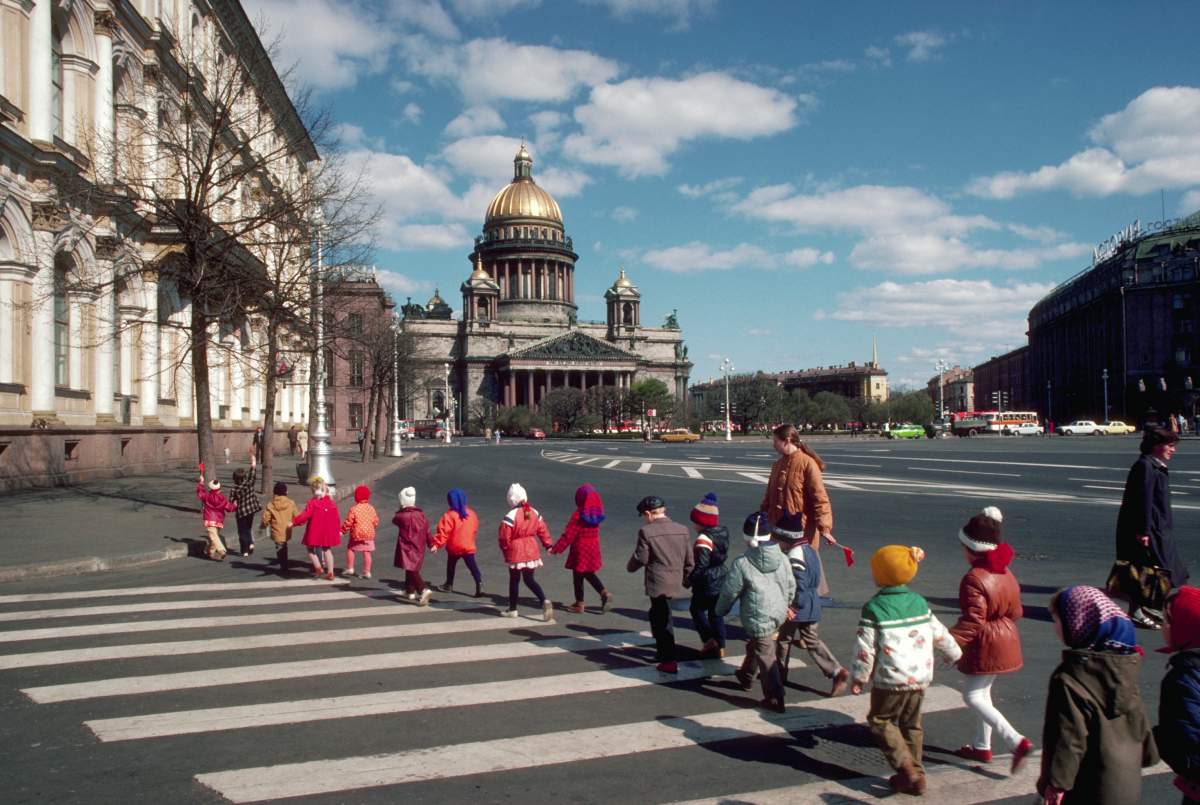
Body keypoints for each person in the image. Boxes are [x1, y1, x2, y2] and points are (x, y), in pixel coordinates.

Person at [850, 545, 962, 796]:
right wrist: (954, 653)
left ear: (881, 576)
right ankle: (918, 776)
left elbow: (865, 647)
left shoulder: (873, 607)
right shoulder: (919, 602)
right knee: (912, 725)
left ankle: (905, 768)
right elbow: (938, 631)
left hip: (890, 679)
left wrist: (859, 676)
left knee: (880, 721)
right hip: (920, 677)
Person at [1037, 586, 1158, 805]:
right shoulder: (1126, 664)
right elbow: (1138, 716)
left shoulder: (1071, 677)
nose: (1055, 628)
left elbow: (1069, 738)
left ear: (1079, 624)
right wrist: (1147, 752)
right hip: (1125, 785)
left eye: (1057, 621)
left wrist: (1056, 783)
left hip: (1087, 786)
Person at [948, 506, 1033, 768]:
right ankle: (982, 746)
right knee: (983, 694)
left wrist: (948, 643)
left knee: (972, 697)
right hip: (1006, 637)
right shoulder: (1005, 571)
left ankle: (1015, 740)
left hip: (985, 642)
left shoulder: (973, 578)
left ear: (970, 549)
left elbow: (973, 620)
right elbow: (1017, 610)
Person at [716, 512, 795, 713]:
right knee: (760, 644)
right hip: (778, 611)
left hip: (757, 614)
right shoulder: (783, 559)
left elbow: (729, 591)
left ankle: (776, 697)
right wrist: (785, 605)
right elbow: (791, 586)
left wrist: (720, 611)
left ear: (747, 538)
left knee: (766, 654)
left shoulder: (742, 563)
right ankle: (746, 675)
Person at [1116, 426, 1189, 628]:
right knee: (1146, 572)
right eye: (1170, 446)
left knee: (1160, 571)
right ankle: (1139, 611)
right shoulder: (1145, 466)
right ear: (1157, 446)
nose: (1173, 450)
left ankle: (1148, 608)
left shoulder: (1154, 465)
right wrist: (1143, 531)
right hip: (1149, 529)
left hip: (1158, 527)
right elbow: (1142, 501)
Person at [771, 511, 849, 697]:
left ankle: (779, 676)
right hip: (813, 603)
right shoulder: (809, 550)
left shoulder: (794, 556)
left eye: (778, 540)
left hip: (798, 606)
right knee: (812, 640)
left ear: (785, 539)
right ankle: (836, 671)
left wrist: (793, 607)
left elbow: (800, 585)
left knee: (784, 640)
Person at [761, 423, 837, 596]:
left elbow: (820, 498)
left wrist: (825, 528)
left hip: (801, 531)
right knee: (783, 576)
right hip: (778, 530)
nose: (773, 444)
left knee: (805, 573)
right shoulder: (777, 464)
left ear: (786, 440)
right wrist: (761, 515)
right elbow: (768, 497)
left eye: (775, 441)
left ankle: (809, 613)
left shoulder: (807, 464)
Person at [627, 495, 694, 674]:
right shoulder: (682, 529)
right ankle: (662, 652)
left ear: (648, 513)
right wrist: (688, 579)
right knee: (658, 616)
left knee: (662, 621)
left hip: (658, 583)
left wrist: (630, 567)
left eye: (643, 515)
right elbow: (689, 559)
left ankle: (668, 660)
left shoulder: (646, 532)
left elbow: (641, 557)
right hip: (677, 581)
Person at [1155, 586, 1200, 805]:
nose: (1163, 627)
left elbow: (1185, 743)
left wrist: (1157, 739)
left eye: (1168, 620)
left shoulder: (1183, 678)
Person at [550, 483, 611, 614]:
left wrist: (556, 549)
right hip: (593, 547)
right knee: (588, 573)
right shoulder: (596, 513)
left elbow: (569, 535)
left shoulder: (579, 514)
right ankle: (604, 592)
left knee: (578, 576)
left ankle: (579, 603)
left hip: (580, 548)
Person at [498, 483, 554, 621]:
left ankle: (513, 609)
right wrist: (548, 545)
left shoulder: (510, 515)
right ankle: (544, 600)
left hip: (516, 551)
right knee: (529, 580)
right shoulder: (534, 512)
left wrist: (506, 551)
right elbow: (542, 530)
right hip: (531, 548)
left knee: (514, 580)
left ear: (511, 499)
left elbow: (504, 538)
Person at [687, 492, 729, 659]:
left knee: (696, 609)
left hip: (707, 581)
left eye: (695, 522)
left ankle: (708, 639)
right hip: (721, 575)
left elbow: (702, 565)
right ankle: (721, 645)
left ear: (701, 522)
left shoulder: (703, 540)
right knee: (716, 613)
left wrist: (691, 579)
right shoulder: (722, 533)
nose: (693, 525)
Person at [432, 489, 483, 597]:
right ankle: (479, 583)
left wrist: (436, 544)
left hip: (454, 546)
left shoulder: (449, 515)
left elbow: (443, 533)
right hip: (468, 545)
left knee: (451, 565)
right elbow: (474, 528)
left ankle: (449, 584)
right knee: (472, 566)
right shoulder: (472, 514)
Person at [292, 476, 341, 580]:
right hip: (327, 532)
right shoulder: (331, 503)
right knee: (327, 550)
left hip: (314, 531)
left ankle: (318, 567)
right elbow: (336, 518)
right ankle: (331, 572)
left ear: (313, 491)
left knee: (310, 549)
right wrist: (337, 530)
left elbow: (305, 516)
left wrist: (294, 522)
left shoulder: (312, 503)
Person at [393, 487, 433, 605]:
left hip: (407, 547)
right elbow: (427, 531)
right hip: (419, 546)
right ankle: (409, 590)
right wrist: (431, 544)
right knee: (410, 567)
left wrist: (400, 509)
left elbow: (394, 520)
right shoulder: (421, 515)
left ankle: (423, 589)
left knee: (411, 569)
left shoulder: (401, 516)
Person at [260, 481, 299, 575]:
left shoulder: (271, 505)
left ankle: (283, 566)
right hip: (287, 529)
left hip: (276, 530)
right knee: (284, 545)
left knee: (280, 547)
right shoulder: (291, 503)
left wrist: (263, 525)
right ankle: (284, 565)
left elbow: (266, 518)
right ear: (286, 492)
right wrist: (295, 523)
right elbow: (297, 515)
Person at [196, 472, 237, 561]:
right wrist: (235, 506)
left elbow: (200, 493)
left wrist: (201, 483)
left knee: (213, 536)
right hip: (219, 519)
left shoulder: (207, 496)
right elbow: (229, 507)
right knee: (214, 536)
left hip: (209, 518)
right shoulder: (222, 498)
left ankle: (221, 550)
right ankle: (209, 551)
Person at [341, 485, 380, 579]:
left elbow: (349, 522)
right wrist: (371, 527)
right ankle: (367, 572)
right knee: (367, 552)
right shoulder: (371, 508)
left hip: (356, 533)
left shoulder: (354, 509)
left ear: (356, 497)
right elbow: (376, 521)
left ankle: (350, 568)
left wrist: (343, 531)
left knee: (351, 549)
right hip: (369, 534)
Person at [229, 457, 261, 557]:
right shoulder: (249, 484)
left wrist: (234, 502)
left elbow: (231, 500)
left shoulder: (234, 489)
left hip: (241, 512)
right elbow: (253, 475)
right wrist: (253, 463)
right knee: (248, 527)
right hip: (251, 510)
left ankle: (245, 550)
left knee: (242, 530)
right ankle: (250, 543)